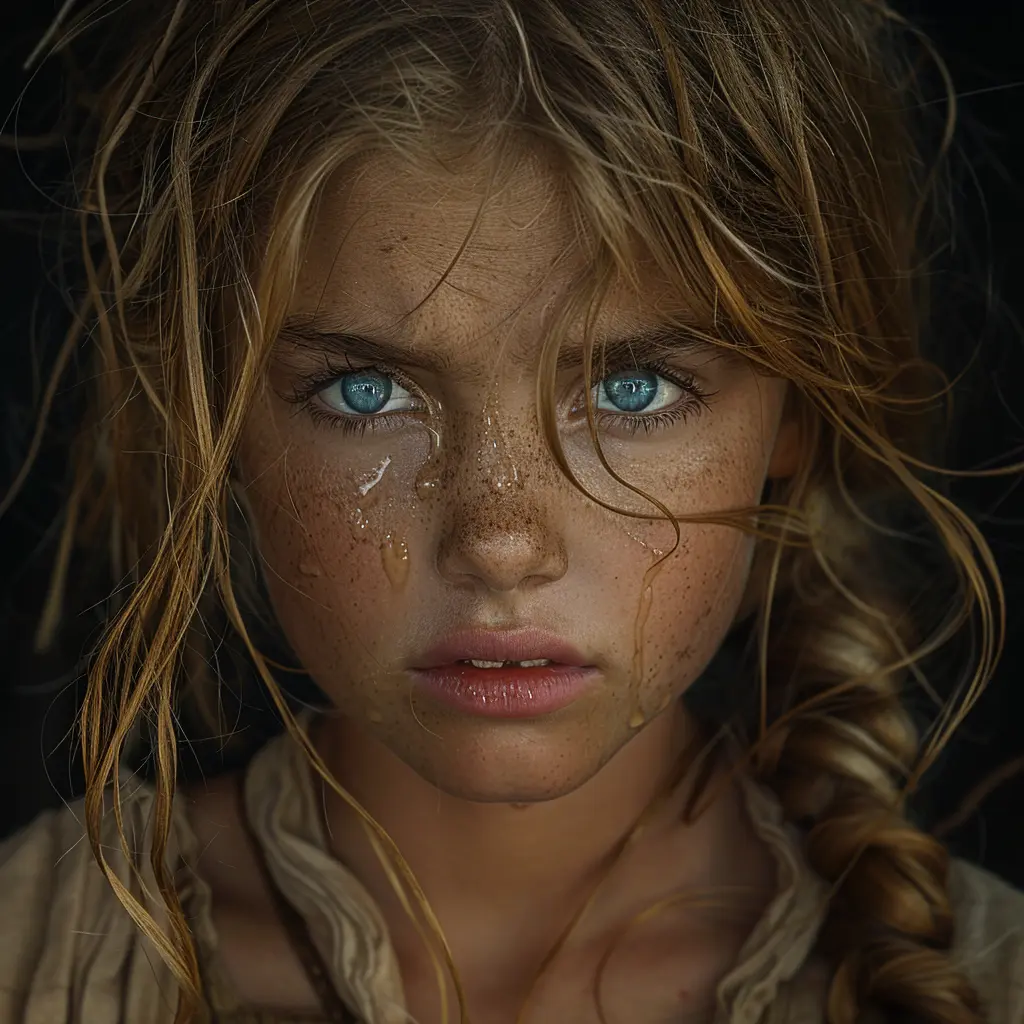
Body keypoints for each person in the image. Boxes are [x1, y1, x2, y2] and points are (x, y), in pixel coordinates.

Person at [0, 0, 1022, 1021]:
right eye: (366, 392)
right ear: (213, 412)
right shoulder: (36, 958)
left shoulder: (980, 983)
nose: (500, 541)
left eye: (633, 390)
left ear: (792, 411)